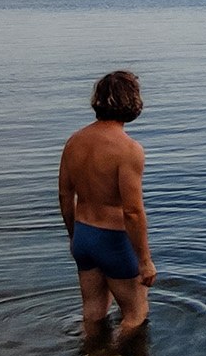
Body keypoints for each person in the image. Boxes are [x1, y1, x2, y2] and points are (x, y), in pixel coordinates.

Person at [58, 70, 155, 341]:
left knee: (93, 311)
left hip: (84, 235)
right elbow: (132, 212)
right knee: (136, 314)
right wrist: (145, 261)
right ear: (132, 101)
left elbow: (65, 195)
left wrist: (73, 236)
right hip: (113, 239)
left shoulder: (74, 141)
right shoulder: (128, 149)